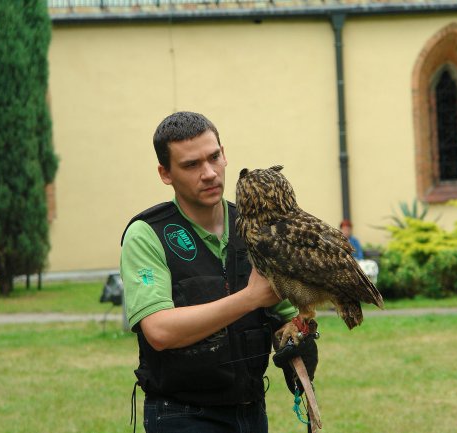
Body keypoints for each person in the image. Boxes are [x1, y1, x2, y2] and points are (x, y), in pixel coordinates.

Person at [120, 111, 313, 433]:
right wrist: (250, 297)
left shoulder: (258, 227)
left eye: (214, 157)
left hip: (250, 410)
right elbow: (160, 331)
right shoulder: (147, 234)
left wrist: (298, 334)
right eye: (191, 165)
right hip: (181, 414)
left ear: (224, 155)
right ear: (165, 173)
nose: (209, 173)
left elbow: (284, 311)